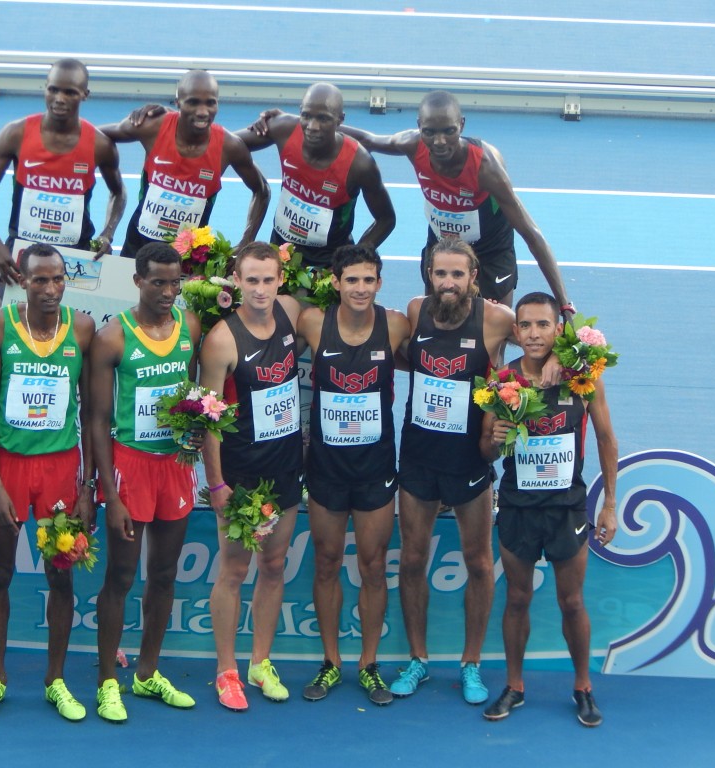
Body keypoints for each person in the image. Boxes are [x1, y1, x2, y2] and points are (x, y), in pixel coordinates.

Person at [253, 90, 573, 310]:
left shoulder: (486, 168)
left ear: (461, 126)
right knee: (433, 323)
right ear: (419, 128)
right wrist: (304, 121)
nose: (439, 141)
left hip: (490, 252)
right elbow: (367, 139)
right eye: (430, 132)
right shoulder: (411, 145)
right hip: (442, 247)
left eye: (448, 131)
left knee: (492, 331)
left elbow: (532, 235)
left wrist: (565, 303)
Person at [0, 243, 96, 722]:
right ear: (21, 282)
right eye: (39, 279)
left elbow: (91, 412)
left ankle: (56, 679)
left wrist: (88, 484)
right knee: (0, 573)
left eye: (57, 279)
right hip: (11, 467)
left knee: (60, 574)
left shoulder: (81, 329)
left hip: (61, 468)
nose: (50, 288)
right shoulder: (0, 324)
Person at [480, 292, 618, 726]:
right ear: (516, 332)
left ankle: (583, 687)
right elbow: (485, 450)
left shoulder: (582, 376)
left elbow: (606, 439)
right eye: (526, 326)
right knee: (517, 598)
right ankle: (515, 686)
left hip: (567, 509)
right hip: (519, 507)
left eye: (543, 325)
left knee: (572, 601)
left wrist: (610, 503)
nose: (535, 333)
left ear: (558, 330)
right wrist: (496, 437)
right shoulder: (501, 382)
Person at [393, 239, 514, 705]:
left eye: (456, 275)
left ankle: (471, 663)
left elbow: (542, 345)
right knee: (411, 560)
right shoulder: (416, 309)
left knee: (479, 562)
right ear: (429, 273)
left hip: (469, 462)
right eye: (440, 274)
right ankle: (419, 660)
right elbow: (405, 359)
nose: (448, 283)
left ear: (473, 275)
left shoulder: (496, 319)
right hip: (419, 459)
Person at [89, 241, 202, 722]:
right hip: (129, 465)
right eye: (158, 282)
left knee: (163, 574)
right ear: (136, 281)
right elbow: (95, 419)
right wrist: (108, 493)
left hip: (173, 464)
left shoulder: (190, 327)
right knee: (120, 575)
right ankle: (106, 683)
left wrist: (196, 429)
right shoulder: (113, 338)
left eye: (175, 283)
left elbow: (195, 395)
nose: (168, 291)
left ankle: (147, 671)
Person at [295, 245, 410, 705]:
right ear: (336, 283)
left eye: (369, 280)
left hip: (376, 468)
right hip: (326, 466)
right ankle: (330, 662)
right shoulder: (311, 323)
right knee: (325, 562)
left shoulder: (397, 325)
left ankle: (369, 664)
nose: (360, 288)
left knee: (374, 566)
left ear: (379, 283)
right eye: (352, 280)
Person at [198, 242, 303, 711]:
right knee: (236, 570)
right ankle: (226, 670)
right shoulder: (222, 339)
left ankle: (261, 661)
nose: (261, 289)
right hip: (242, 475)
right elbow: (209, 419)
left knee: (274, 566)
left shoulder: (290, 313)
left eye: (269, 279)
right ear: (235, 281)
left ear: (281, 279)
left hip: (285, 469)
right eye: (252, 280)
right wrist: (217, 483)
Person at [0, 58, 126, 295]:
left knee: (75, 328)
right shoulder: (16, 134)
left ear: (85, 94)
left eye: (70, 92)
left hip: (77, 253)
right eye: (53, 89)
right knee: (10, 324)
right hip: (23, 251)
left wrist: (108, 233)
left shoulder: (99, 145)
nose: (59, 98)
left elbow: (118, 192)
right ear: (45, 87)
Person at [101, 69, 269, 258]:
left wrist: (247, 240)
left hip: (189, 258)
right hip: (139, 246)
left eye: (210, 103)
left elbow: (262, 191)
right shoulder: (153, 127)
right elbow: (95, 137)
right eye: (193, 102)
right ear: (178, 102)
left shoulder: (229, 146)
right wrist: (108, 228)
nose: (203, 111)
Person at [236, 83, 396, 269]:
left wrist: (352, 260)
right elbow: (227, 144)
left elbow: (386, 220)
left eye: (323, 118)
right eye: (306, 116)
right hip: (282, 253)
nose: (312, 126)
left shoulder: (360, 164)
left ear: (340, 120)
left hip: (329, 262)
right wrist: (259, 187)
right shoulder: (283, 129)